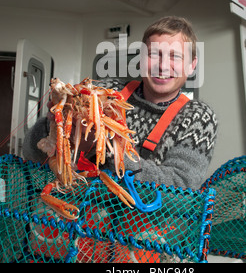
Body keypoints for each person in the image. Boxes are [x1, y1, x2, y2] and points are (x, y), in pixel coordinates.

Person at [23, 16, 217, 190]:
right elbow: (30, 152)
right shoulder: (105, 91)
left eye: (175, 56)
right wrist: (57, 131)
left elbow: (182, 187)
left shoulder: (199, 117)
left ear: (192, 65)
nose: (163, 65)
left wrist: (111, 150)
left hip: (146, 227)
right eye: (153, 54)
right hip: (81, 216)